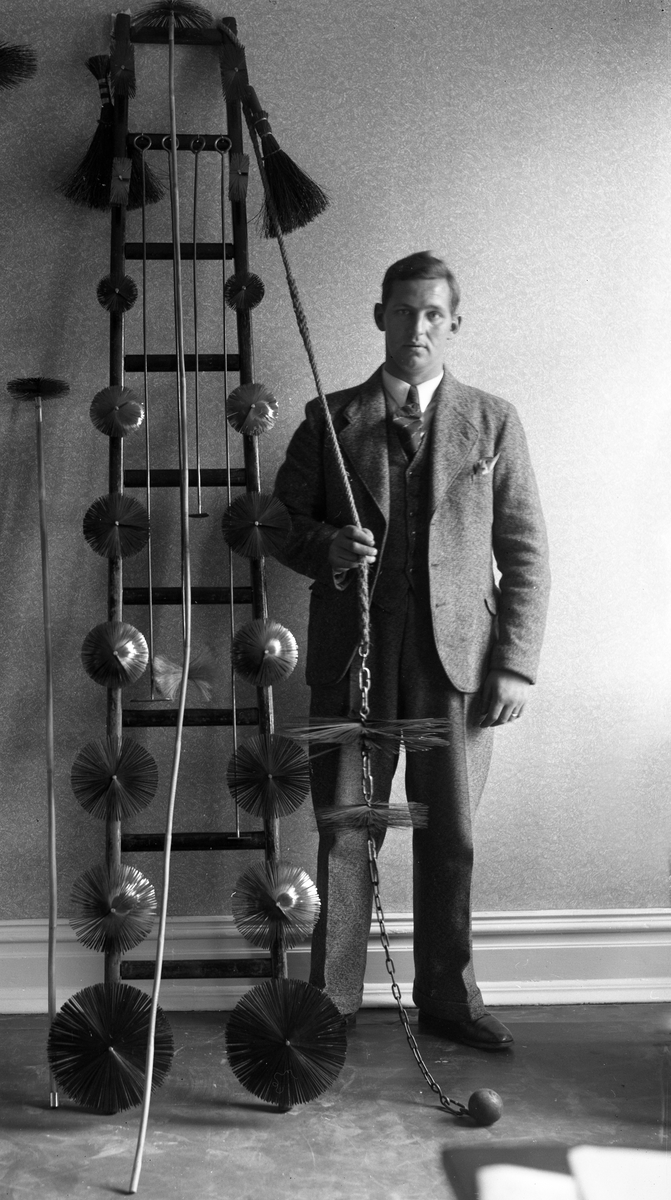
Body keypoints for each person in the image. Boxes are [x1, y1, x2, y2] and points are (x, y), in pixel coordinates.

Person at [272, 251, 550, 1050]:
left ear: (453, 322)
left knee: (450, 834)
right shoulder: (329, 418)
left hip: (454, 669)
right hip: (352, 661)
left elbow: (526, 552)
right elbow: (277, 522)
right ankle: (330, 1003)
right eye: (403, 311)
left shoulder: (493, 422)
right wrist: (328, 546)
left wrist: (515, 664)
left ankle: (449, 1001)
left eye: (433, 313)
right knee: (346, 831)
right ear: (379, 317)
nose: (417, 327)